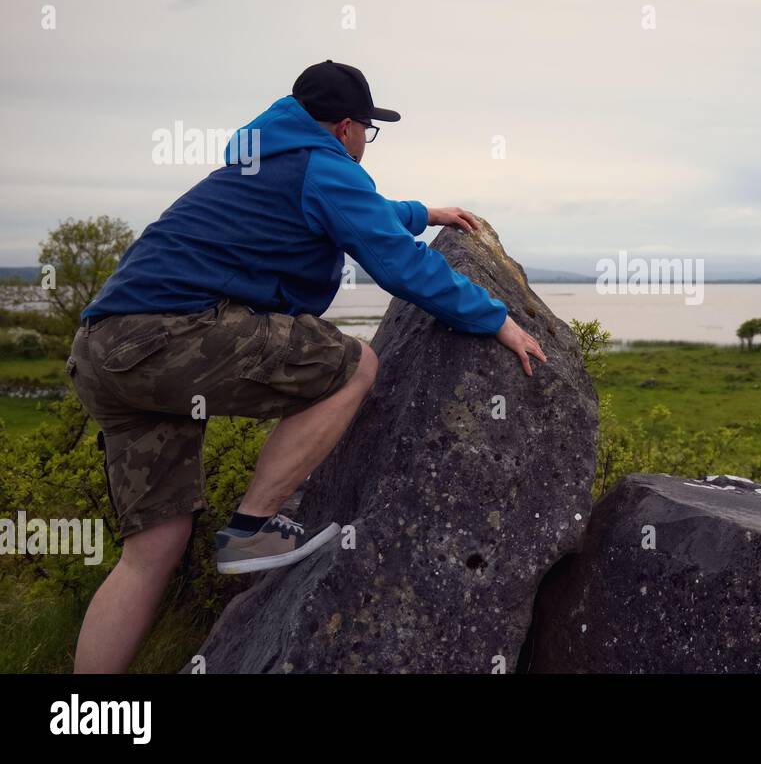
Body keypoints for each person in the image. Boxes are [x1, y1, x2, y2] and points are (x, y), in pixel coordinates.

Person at [65, 60, 546, 672]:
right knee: (352, 365)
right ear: (345, 127)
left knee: (151, 551)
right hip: (164, 336)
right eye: (367, 131)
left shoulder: (269, 156)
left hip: (104, 348)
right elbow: (399, 264)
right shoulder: (324, 166)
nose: (365, 143)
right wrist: (499, 322)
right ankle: (254, 530)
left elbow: (358, 213)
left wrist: (426, 211)